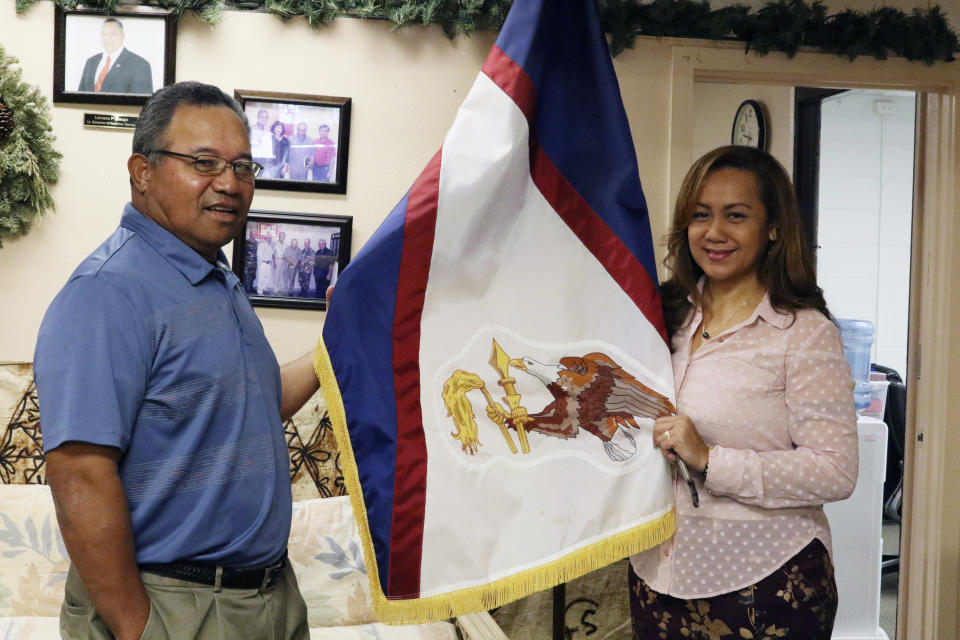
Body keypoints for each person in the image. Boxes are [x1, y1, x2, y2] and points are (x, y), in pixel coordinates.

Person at [33, 81, 320, 640]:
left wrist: (336, 345)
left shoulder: (217, 280)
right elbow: (80, 473)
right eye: (203, 163)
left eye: (243, 167)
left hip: (268, 599)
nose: (230, 184)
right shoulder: (107, 293)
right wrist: (138, 627)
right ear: (142, 171)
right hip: (174, 606)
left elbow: (253, 407)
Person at [628, 146, 859, 640]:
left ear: (773, 227)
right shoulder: (658, 316)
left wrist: (710, 459)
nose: (714, 232)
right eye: (700, 215)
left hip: (765, 580)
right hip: (656, 574)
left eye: (736, 216)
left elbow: (836, 471)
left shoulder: (803, 333)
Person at [78, 18, 153, 94]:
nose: (107, 38)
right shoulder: (91, 62)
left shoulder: (140, 65)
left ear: (123, 36)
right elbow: (79, 98)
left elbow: (141, 103)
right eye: (104, 33)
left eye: (112, 33)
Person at [243, 228, 259, 293]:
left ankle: (250, 287)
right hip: (248, 262)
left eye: (255, 234)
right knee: (246, 276)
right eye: (252, 234)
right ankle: (245, 290)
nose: (254, 235)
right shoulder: (246, 242)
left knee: (253, 276)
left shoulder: (256, 242)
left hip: (254, 262)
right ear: (250, 234)